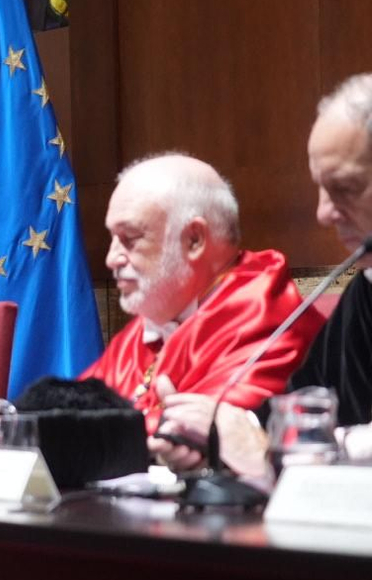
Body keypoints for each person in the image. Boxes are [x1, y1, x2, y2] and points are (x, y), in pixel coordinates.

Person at [157, 74, 372, 476]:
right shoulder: (366, 288)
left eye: (344, 188)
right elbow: (305, 398)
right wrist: (217, 434)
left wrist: (284, 446)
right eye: (320, 189)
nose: (323, 213)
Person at [81, 153, 322, 432]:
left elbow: (208, 435)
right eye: (112, 238)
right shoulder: (153, 320)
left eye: (130, 238)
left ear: (194, 240)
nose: (111, 259)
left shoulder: (267, 319)